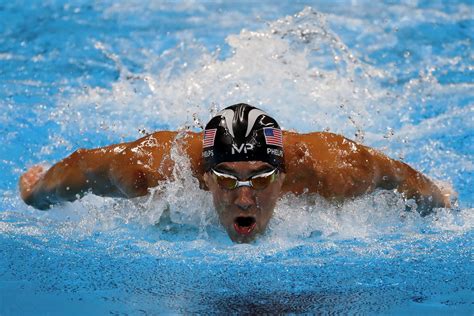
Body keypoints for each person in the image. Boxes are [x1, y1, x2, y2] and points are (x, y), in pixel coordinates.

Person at [19, 103, 451, 243]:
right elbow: (78, 169)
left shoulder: (335, 170)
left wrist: (442, 201)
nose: (244, 198)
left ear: (285, 175)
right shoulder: (148, 170)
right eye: (226, 178)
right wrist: (36, 192)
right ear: (203, 176)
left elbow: (400, 177)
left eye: (262, 178)